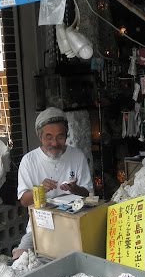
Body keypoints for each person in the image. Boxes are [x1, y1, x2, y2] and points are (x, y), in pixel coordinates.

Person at [14, 107, 93, 258]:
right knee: (19, 259)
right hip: (40, 226)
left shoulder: (77, 156)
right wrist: (40, 190)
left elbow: (89, 194)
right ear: (40, 136)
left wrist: (75, 189)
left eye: (60, 137)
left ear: (66, 135)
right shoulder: (29, 161)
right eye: (48, 137)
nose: (55, 143)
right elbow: (24, 201)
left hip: (72, 224)